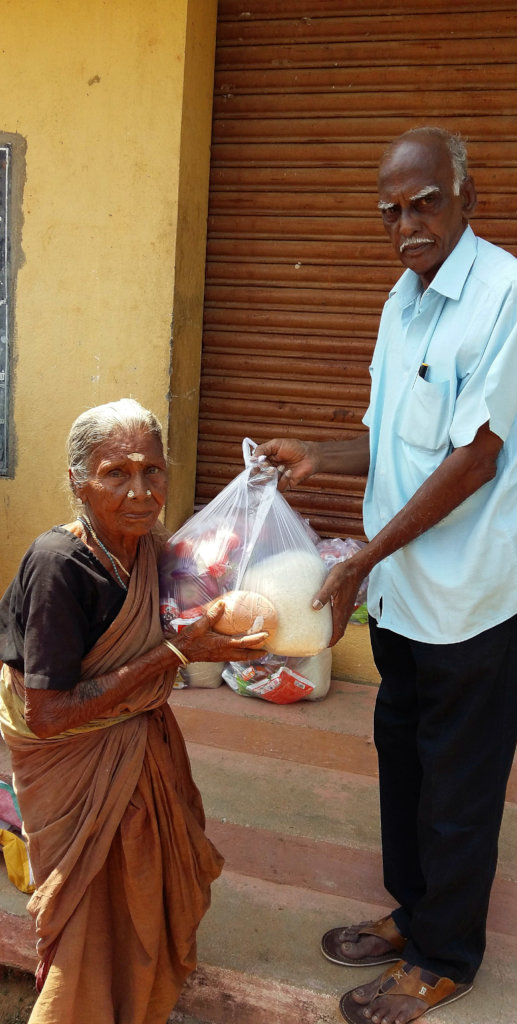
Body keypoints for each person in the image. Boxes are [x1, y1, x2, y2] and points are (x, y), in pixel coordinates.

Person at [255, 127, 517, 1024]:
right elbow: (395, 442)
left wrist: (364, 555)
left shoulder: (511, 295)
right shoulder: (404, 300)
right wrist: (320, 456)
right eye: (390, 209)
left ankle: (446, 956)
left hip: (472, 596)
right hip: (400, 598)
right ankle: (413, 912)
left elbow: (475, 459)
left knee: (459, 787)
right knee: (407, 770)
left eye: (423, 201)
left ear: (467, 197)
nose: (406, 222)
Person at [0, 398, 268, 1024]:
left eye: (152, 471)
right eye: (115, 473)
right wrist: (175, 653)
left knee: (147, 888)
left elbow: (200, 605)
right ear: (77, 482)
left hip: (135, 741)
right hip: (74, 759)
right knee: (87, 909)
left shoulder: (150, 551)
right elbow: (49, 715)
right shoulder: (59, 566)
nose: (140, 491)